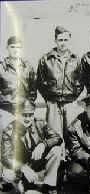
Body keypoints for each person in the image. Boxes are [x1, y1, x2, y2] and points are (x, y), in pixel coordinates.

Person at [1, 100, 63, 194]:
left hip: (37, 162)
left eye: (30, 115)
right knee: (8, 175)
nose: (27, 118)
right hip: (21, 166)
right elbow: (6, 157)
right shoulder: (9, 130)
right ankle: (24, 185)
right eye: (24, 115)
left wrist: (43, 144)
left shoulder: (40, 123)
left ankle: (49, 185)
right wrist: (23, 167)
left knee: (57, 150)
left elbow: (57, 138)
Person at [0, 36, 36, 191]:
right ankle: (5, 177)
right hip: (6, 111)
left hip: (22, 113)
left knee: (21, 144)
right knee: (5, 145)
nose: (15, 50)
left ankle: (20, 177)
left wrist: (27, 110)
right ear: (7, 48)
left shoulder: (28, 66)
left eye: (18, 47)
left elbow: (33, 91)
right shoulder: (1, 67)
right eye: (12, 47)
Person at [37, 26, 84, 141]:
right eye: (60, 40)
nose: (63, 43)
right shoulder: (45, 59)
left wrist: (74, 96)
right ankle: (58, 158)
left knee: (72, 134)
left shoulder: (76, 59)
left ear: (70, 40)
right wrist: (48, 99)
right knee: (54, 136)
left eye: (66, 40)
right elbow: (40, 82)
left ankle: (70, 158)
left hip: (70, 102)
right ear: (55, 41)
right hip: (53, 103)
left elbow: (81, 81)